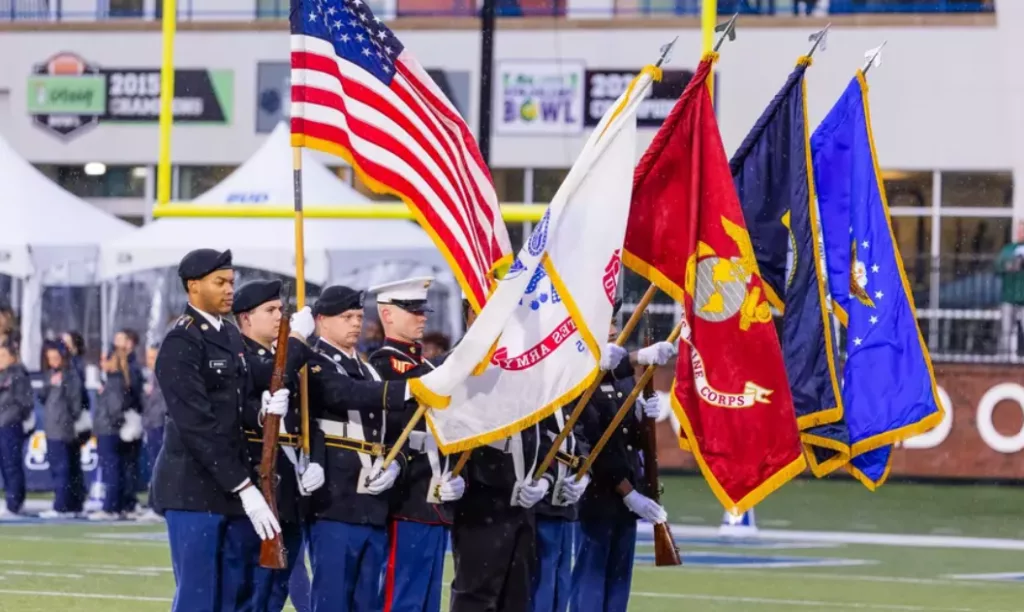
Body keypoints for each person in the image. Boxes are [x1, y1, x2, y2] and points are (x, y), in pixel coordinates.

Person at [152, 248, 302, 612]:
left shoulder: (230, 337)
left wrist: (263, 409)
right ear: (193, 286)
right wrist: (245, 487)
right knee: (199, 598)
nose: (229, 290)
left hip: (228, 489)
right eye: (220, 282)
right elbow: (197, 426)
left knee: (233, 596)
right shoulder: (182, 342)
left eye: (232, 282)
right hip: (193, 487)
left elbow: (250, 390)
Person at [304, 284, 419, 611]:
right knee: (333, 601)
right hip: (335, 503)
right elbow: (343, 394)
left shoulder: (367, 367)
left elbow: (396, 432)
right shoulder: (314, 362)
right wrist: (410, 390)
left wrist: (397, 465)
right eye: (346, 317)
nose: (356, 323)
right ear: (321, 321)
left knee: (367, 602)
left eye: (358, 316)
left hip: (372, 505)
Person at [367, 277, 465, 612]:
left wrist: (455, 474)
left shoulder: (423, 367)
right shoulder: (382, 365)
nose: (422, 317)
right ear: (387, 315)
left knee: (426, 601)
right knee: (402, 599)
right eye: (411, 310)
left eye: (422, 310)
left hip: (434, 499)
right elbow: (389, 432)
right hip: (406, 499)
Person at [447, 294, 550, 612]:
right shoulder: (457, 366)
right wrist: (458, 479)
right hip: (482, 500)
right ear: (469, 314)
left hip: (521, 501)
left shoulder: (521, 366)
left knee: (517, 598)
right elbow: (448, 432)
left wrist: (543, 477)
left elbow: (539, 430)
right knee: (476, 598)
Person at [568, 320, 676, 612]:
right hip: (600, 495)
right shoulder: (580, 378)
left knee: (618, 583)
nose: (614, 330)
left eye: (615, 323)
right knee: (591, 578)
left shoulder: (624, 379)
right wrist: (628, 492)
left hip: (627, 496)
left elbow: (631, 441)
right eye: (608, 322)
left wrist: (643, 418)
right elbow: (594, 446)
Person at [233, 279, 319, 612]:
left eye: (281, 310)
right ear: (245, 318)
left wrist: (316, 460)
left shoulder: (287, 356)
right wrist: (295, 339)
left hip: (291, 489)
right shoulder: (240, 357)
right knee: (252, 593)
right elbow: (271, 377)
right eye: (270, 310)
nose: (279, 317)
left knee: (274, 594)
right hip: (259, 483)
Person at [38, 341, 86, 519]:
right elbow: (42, 397)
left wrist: (68, 421)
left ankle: (62, 506)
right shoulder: (50, 375)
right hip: (52, 428)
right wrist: (50, 384)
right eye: (50, 358)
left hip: (63, 428)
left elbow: (75, 404)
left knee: (63, 468)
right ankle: (70, 504)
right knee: (62, 467)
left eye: (56, 358)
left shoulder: (71, 376)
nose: (53, 362)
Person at [0, 339, 33, 517]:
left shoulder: (18, 374)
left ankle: (15, 503)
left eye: (3, 355)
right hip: (2, 424)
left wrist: (17, 416)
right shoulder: (3, 373)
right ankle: (11, 500)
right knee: (6, 466)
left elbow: (25, 401)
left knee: (12, 465)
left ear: (13, 357)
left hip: (10, 424)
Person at [115, 329, 145, 516]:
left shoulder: (132, 367)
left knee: (129, 463)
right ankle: (124, 500)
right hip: (122, 418)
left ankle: (129, 500)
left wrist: (128, 410)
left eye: (120, 341)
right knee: (123, 463)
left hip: (130, 419)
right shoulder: (120, 364)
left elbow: (132, 393)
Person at [139, 344, 166, 522]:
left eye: (153, 357)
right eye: (149, 358)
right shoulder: (150, 377)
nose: (151, 362)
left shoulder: (165, 375)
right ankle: (154, 504)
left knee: (159, 466)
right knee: (153, 466)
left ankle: (158, 507)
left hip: (160, 424)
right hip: (152, 424)